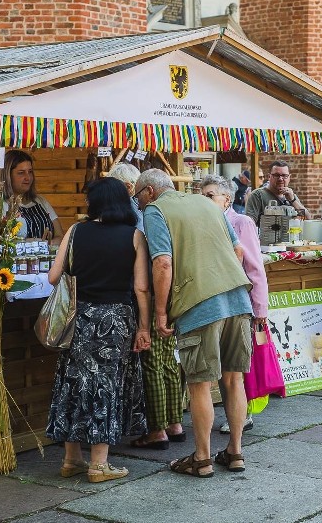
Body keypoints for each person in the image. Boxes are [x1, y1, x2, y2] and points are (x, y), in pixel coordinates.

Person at [135, 169, 253, 478]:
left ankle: (202, 459)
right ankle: (235, 452)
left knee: (200, 383)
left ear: (149, 191)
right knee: (233, 379)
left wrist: (160, 314)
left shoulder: (155, 210)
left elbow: (162, 262)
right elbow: (237, 249)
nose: (137, 204)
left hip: (199, 303)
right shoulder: (205, 203)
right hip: (238, 298)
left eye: (137, 197)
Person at [45, 177, 151, 483]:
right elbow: (141, 288)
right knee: (106, 386)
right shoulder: (134, 236)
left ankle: (71, 459)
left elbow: (54, 277)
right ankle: (99, 464)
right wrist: (144, 327)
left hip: (79, 317)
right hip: (116, 320)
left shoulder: (77, 231)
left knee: (74, 383)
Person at [107, 163, 186, 450]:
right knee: (167, 360)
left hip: (153, 292)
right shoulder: (174, 208)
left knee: (152, 361)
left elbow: (153, 258)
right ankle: (174, 423)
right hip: (173, 289)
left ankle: (157, 430)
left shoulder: (142, 213)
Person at [200, 175, 269, 434]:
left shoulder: (241, 223)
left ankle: (244, 416)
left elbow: (254, 268)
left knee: (238, 369)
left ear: (227, 199)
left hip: (240, 304)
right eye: (202, 195)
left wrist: (260, 309)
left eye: (209, 195)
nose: (204, 200)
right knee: (225, 370)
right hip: (214, 303)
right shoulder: (204, 222)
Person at [3, 150, 63, 241]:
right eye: (21, 173)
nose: (28, 177)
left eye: (30, 172)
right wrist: (32, 243)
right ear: (8, 175)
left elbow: (60, 235)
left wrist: (48, 245)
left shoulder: (40, 201)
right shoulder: (1, 205)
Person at [245, 160, 310, 224]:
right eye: (276, 175)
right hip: (266, 234)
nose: (280, 179)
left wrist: (293, 200)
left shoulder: (291, 196)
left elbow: (307, 219)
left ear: (289, 177)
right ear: (269, 177)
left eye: (284, 175)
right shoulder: (258, 195)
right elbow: (249, 223)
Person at [106, 163, 144, 231]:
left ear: (128, 187)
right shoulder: (143, 201)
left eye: (113, 187)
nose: (110, 191)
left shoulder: (131, 206)